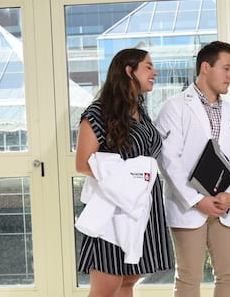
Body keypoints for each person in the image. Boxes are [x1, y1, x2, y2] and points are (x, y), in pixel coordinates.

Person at [155, 41, 230, 297]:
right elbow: (168, 159)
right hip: (189, 205)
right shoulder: (174, 107)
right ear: (205, 67)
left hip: (227, 205)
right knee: (189, 278)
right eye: (226, 68)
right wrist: (197, 200)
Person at [75, 48, 174, 297]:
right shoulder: (98, 112)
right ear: (130, 71)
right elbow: (83, 163)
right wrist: (127, 182)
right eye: (148, 67)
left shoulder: (141, 111)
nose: (155, 72)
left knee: (129, 280)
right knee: (105, 288)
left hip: (142, 206)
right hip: (113, 210)